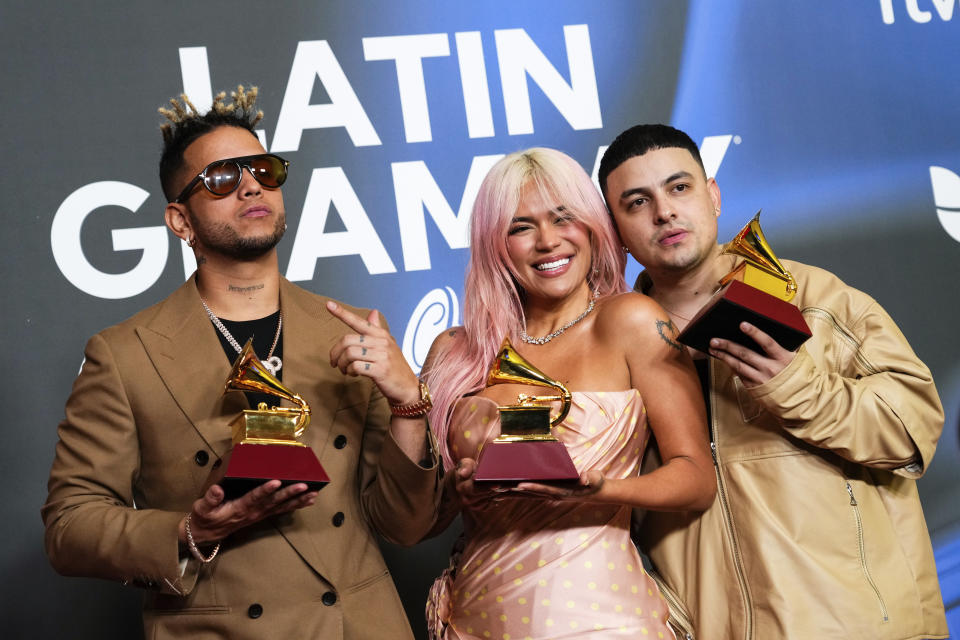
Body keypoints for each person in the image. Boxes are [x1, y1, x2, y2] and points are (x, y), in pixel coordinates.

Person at [42, 86, 442, 640]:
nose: (251, 184)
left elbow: (406, 525)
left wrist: (408, 404)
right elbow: (69, 526)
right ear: (180, 221)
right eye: (223, 179)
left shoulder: (351, 330)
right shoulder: (124, 354)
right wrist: (190, 529)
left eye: (262, 169)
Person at [598, 123, 948, 639]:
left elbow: (913, 431)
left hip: (854, 625)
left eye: (679, 187)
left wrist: (796, 386)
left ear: (713, 196)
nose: (665, 212)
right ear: (616, 232)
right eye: (636, 202)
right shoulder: (611, 348)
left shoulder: (816, 299)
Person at [420, 147, 716, 639]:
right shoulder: (455, 351)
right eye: (520, 227)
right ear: (494, 243)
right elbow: (414, 524)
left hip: (604, 618)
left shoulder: (631, 321)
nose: (547, 242)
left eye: (564, 219)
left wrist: (604, 490)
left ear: (593, 226)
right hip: (476, 617)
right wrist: (454, 489)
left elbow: (696, 479)